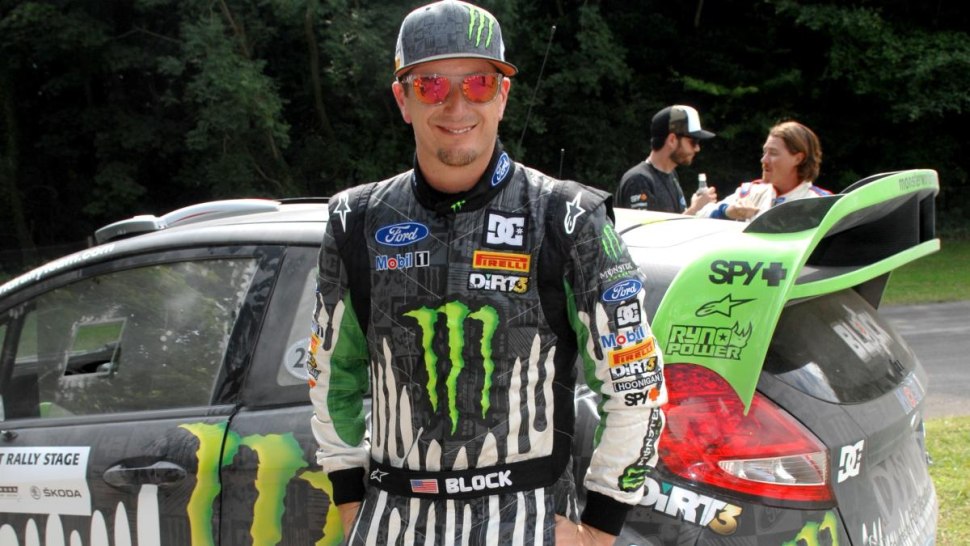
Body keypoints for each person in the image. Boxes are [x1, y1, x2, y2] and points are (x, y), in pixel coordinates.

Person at [306, 1, 667, 545]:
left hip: (528, 521)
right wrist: (351, 500)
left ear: (502, 95)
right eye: (430, 85)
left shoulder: (568, 217)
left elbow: (636, 380)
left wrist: (600, 527)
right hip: (392, 523)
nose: (456, 105)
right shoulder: (354, 220)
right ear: (403, 99)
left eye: (478, 83)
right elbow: (332, 374)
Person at [697, 120, 831, 221]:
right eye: (764, 152)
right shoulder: (750, 192)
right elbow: (700, 216)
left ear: (798, 159)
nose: (763, 160)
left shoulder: (822, 204)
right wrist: (727, 211)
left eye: (773, 153)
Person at [615, 104, 717, 214]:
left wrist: (696, 210)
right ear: (672, 140)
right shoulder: (638, 180)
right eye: (693, 142)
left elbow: (674, 221)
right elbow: (644, 225)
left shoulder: (671, 175)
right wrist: (694, 209)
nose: (697, 148)